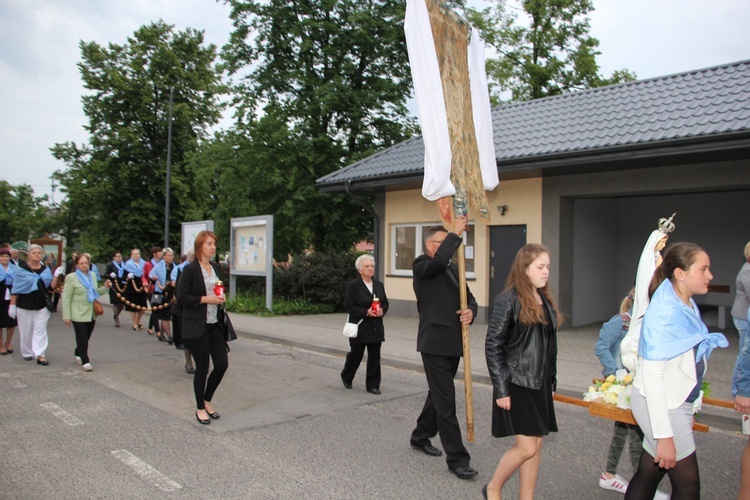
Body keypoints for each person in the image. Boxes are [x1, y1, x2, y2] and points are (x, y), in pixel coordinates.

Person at [625, 242, 728, 500]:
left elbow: (686, 368)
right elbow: (653, 377)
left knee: (650, 472)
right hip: (660, 403)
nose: (710, 275)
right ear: (680, 274)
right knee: (688, 485)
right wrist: (665, 436)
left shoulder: (683, 303)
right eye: (703, 269)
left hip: (673, 401)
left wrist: (689, 407)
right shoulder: (665, 313)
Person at [484, 243, 561, 499]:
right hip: (517, 382)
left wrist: (551, 381)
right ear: (524, 268)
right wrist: (501, 389)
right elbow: (493, 346)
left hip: (538, 384)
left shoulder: (543, 298)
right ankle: (493, 488)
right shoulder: (508, 300)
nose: (546, 271)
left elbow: (548, 348)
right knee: (526, 447)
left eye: (548, 266)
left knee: (536, 446)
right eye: (540, 267)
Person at [409, 216, 478, 480]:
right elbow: (437, 264)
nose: (451, 245)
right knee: (446, 400)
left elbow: (470, 299)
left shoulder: (453, 269)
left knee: (437, 395)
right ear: (430, 245)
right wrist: (456, 232)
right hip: (434, 343)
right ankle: (458, 459)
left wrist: (470, 312)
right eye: (444, 241)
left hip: (454, 344)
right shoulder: (422, 265)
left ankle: (420, 435)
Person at [594, 289, 647, 495]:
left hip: (636, 385)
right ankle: (642, 486)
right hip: (623, 386)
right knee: (635, 434)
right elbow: (601, 346)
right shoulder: (622, 321)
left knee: (622, 431)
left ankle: (609, 474)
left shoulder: (646, 323)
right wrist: (613, 372)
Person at [176, 230, 228, 425]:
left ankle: (207, 399)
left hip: (214, 324)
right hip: (197, 325)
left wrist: (221, 297)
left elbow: (218, 288)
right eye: (208, 244)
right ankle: (200, 407)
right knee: (203, 368)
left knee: (222, 364)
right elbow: (181, 298)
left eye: (214, 244)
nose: (213, 247)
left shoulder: (215, 267)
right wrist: (206, 299)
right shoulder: (190, 269)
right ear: (200, 246)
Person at [621, 214, 676, 373]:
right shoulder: (649, 259)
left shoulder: (658, 257)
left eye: (665, 241)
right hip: (648, 296)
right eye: (663, 241)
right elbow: (648, 279)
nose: (664, 244)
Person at [340, 254, 389, 394]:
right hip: (360, 327)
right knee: (356, 355)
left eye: (372, 266)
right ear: (360, 270)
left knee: (375, 357)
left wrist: (382, 310)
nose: (370, 269)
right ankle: (347, 375)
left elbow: (385, 303)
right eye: (367, 266)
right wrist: (365, 312)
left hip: (375, 327)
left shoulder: (379, 285)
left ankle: (373, 385)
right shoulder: (353, 286)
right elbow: (348, 306)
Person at [62, 254, 110, 371]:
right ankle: (85, 360)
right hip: (77, 311)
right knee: (82, 336)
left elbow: (95, 291)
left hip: (91, 311)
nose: (84, 265)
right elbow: (66, 297)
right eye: (82, 263)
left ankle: (78, 352)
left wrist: (106, 287)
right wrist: (67, 316)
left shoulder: (92, 275)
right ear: (77, 265)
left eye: (86, 263)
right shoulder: (71, 277)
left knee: (87, 335)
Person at [8, 244, 54, 365]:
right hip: (25, 304)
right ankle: (27, 352)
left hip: (42, 304)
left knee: (41, 330)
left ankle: (40, 354)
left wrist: (57, 276)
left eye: (39, 253)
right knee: (25, 330)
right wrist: (12, 305)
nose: (37, 255)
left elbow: (49, 287)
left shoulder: (45, 270)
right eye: (34, 253)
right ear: (29, 255)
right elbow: (16, 288)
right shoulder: (22, 269)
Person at [171, 252, 195, 374]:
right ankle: (188, 362)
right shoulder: (183, 270)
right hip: (184, 308)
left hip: (199, 309)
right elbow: (179, 291)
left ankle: (199, 361)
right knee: (188, 336)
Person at [732, 242, 750, 395]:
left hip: (745, 317)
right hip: (744, 318)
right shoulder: (747, 271)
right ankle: (737, 390)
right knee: (744, 355)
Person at [149, 247, 175, 344]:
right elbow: (151, 275)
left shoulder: (174, 266)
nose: (170, 257)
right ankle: (169, 336)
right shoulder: (159, 266)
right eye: (168, 255)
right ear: (164, 256)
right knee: (164, 315)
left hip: (170, 293)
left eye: (172, 255)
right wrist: (154, 278)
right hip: (160, 292)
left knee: (166, 314)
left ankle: (161, 334)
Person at [123, 248, 147, 330]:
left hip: (142, 286)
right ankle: (134, 323)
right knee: (133, 307)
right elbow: (124, 277)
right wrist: (128, 277)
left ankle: (138, 320)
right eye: (134, 254)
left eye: (138, 254)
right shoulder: (127, 265)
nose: (136, 255)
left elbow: (147, 274)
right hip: (132, 287)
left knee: (143, 306)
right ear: (131, 255)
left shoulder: (144, 263)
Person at [0, 248, 18, 355]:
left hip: (12, 296)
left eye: (6, 256)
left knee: (11, 321)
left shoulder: (15, 268)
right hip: (0, 296)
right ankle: (0, 344)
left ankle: (8, 342)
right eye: (2, 256)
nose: (4, 258)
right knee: (0, 322)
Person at [142, 246, 162, 336]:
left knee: (155, 308)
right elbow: (144, 276)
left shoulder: (162, 263)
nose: (161, 254)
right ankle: (158, 330)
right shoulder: (148, 264)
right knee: (155, 309)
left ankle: (150, 327)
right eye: (159, 252)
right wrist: (145, 282)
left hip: (159, 289)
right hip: (151, 289)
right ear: (154, 254)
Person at [105, 251, 127, 327]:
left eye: (120, 256)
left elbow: (127, 274)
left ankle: (116, 314)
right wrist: (110, 275)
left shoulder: (125, 265)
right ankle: (117, 319)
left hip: (123, 285)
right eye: (117, 256)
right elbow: (106, 274)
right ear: (114, 258)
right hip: (114, 285)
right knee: (115, 302)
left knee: (122, 303)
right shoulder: (111, 265)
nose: (119, 257)